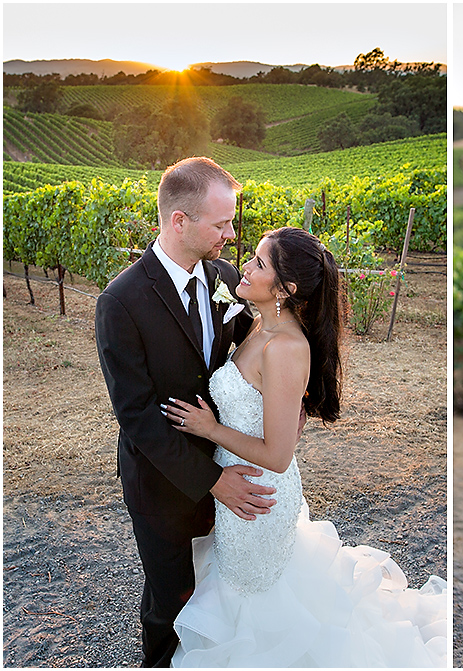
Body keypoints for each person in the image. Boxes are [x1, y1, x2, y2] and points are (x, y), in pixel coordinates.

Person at [159, 227, 447, 667]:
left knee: (261, 608)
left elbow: (277, 455)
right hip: (238, 492)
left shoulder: (286, 347)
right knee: (243, 601)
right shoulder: (258, 323)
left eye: (259, 263)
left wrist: (209, 429)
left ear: (286, 289)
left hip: (258, 496)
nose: (246, 266)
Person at [95, 157, 272, 667]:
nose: (231, 233)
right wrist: (214, 479)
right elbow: (137, 417)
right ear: (179, 221)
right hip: (162, 485)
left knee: (219, 593)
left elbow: (246, 358)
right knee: (171, 602)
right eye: (221, 224)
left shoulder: (225, 278)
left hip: (228, 462)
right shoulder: (121, 302)